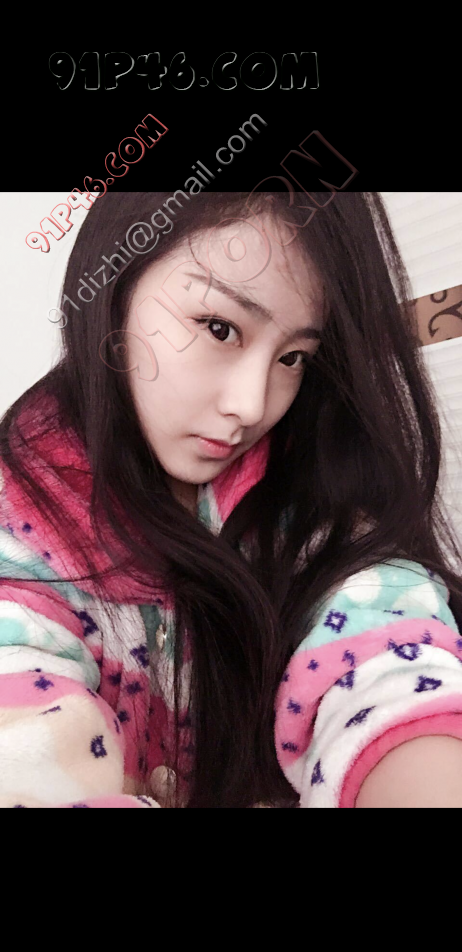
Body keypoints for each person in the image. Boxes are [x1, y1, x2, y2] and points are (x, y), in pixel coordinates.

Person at [1, 190, 462, 809]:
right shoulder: (18, 540)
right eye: (220, 328)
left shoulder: (307, 503)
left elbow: (388, 660)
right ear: (115, 286)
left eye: (293, 357)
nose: (251, 405)